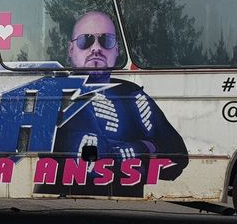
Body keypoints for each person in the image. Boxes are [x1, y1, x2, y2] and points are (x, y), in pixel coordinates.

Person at [37, 11, 188, 197]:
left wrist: (131, 151)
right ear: (71, 50)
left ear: (116, 49)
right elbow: (90, 162)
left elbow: (178, 156)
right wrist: (146, 147)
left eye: (106, 40)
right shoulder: (55, 94)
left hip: (125, 205)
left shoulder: (131, 94)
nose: (96, 48)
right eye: (86, 40)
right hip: (61, 201)